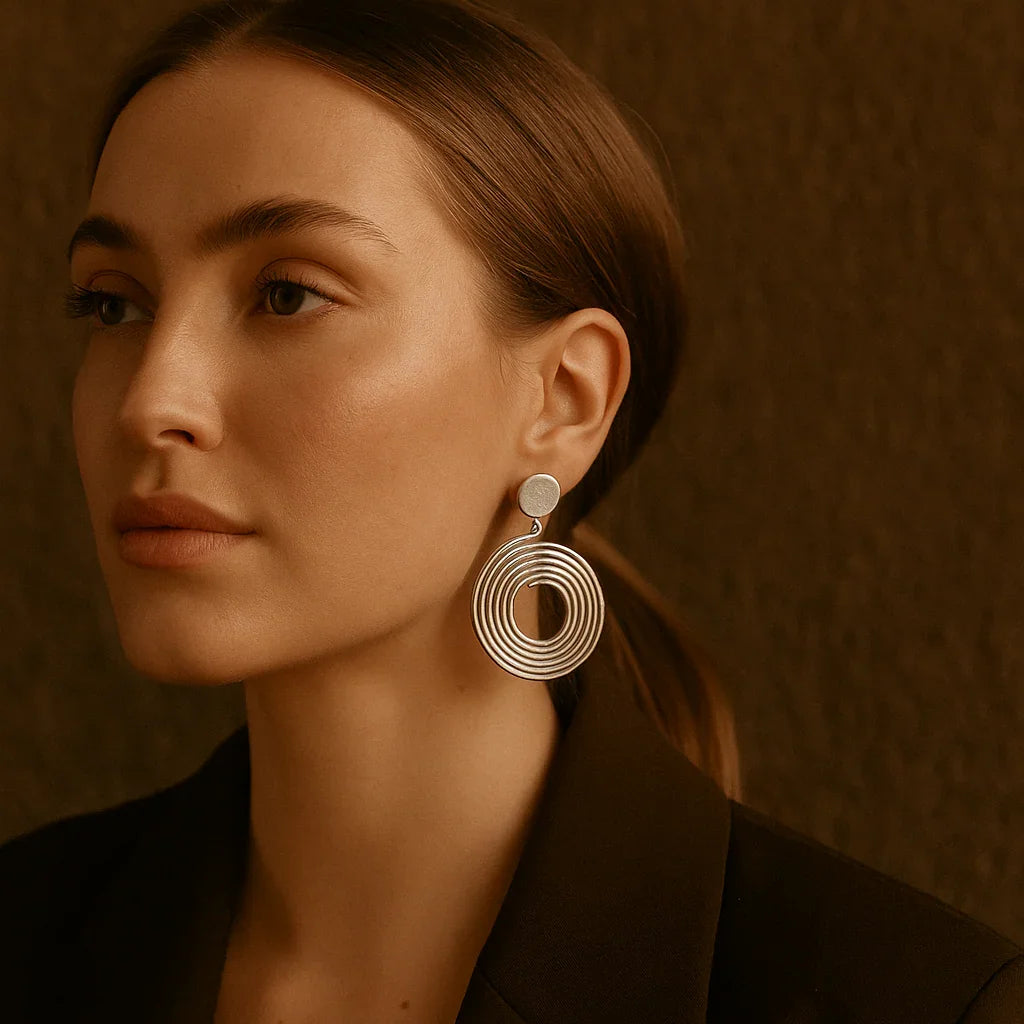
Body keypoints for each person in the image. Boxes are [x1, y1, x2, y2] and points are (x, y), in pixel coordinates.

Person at [1, 0, 1021, 1020]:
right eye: (114, 303)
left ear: (564, 398)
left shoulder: (918, 1002)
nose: (150, 401)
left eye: (287, 295)